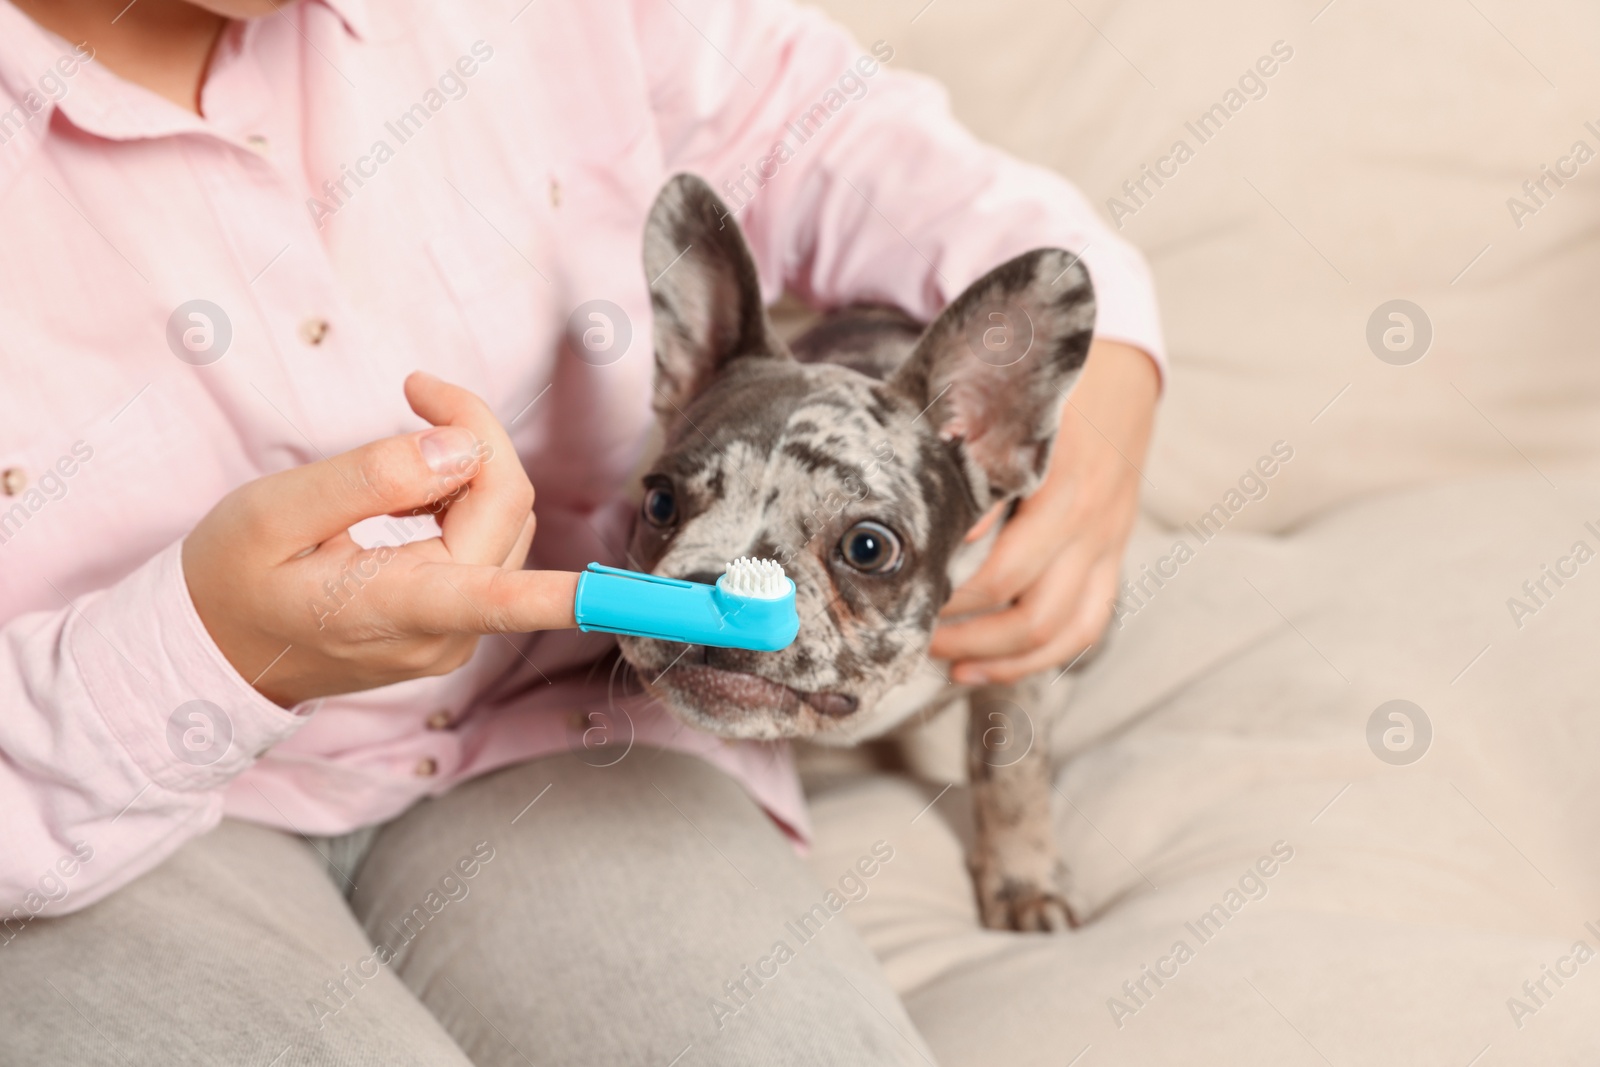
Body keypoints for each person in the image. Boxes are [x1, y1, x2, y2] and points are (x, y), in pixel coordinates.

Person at [0, 0, 1163, 1062]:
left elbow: (832, 128)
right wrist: (196, 655)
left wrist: (1104, 361)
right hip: (109, 823)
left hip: (571, 727)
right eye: (675, 505)